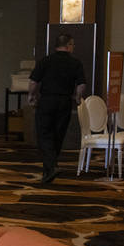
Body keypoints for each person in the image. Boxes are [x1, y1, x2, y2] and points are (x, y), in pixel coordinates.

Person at [29, 34, 87, 183]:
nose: (73, 47)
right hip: (64, 102)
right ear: (68, 45)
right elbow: (81, 85)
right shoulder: (75, 63)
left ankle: (50, 168)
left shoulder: (46, 61)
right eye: (73, 45)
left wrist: (31, 95)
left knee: (44, 133)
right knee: (58, 135)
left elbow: (34, 81)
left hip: (47, 100)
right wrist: (78, 97)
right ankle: (49, 170)